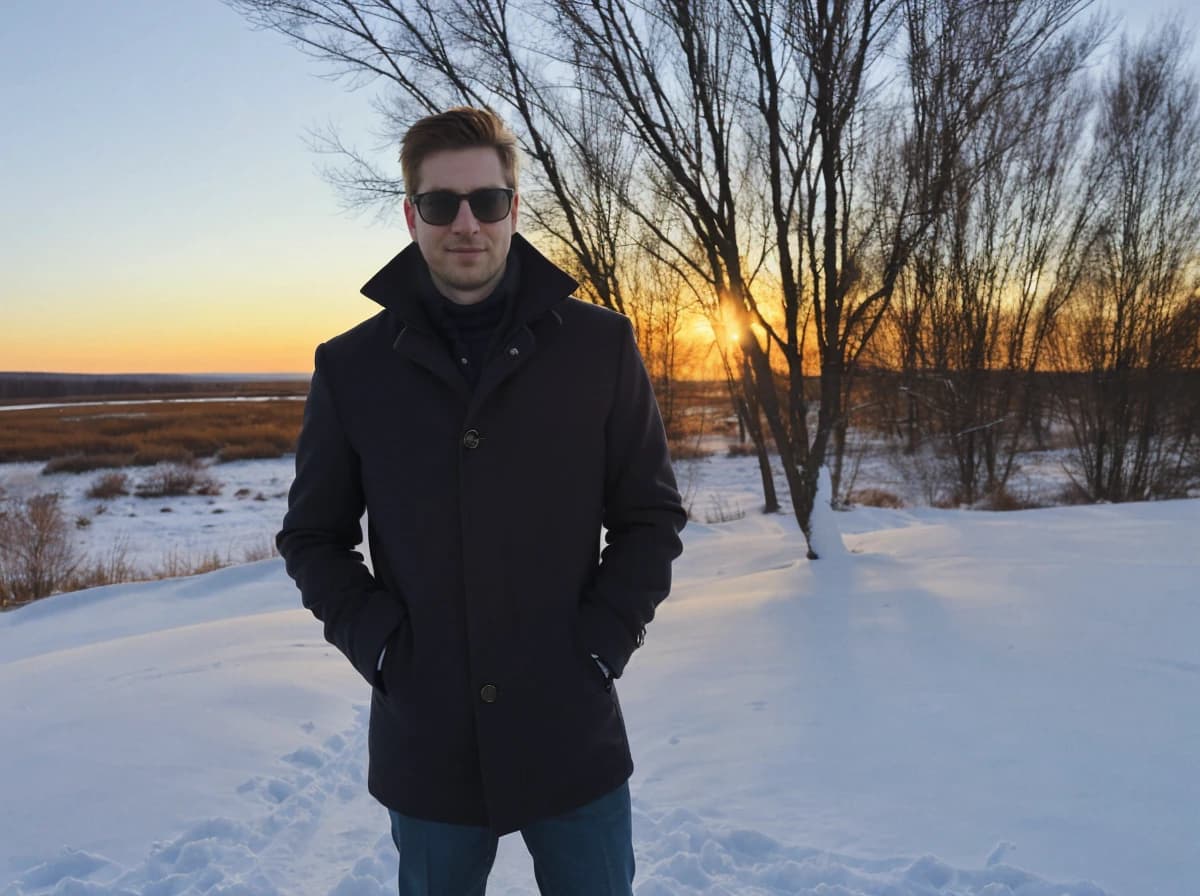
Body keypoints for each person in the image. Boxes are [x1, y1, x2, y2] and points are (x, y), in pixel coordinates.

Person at [277, 106, 686, 895]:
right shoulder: (353, 367)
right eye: (441, 204)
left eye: (487, 201)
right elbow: (313, 536)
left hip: (572, 728)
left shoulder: (599, 347)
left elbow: (650, 516)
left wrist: (603, 642)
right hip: (427, 741)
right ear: (411, 215)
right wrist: (383, 647)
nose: (466, 223)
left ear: (514, 209)